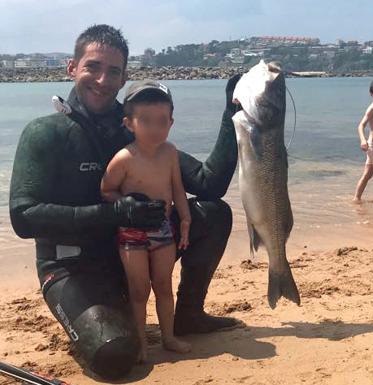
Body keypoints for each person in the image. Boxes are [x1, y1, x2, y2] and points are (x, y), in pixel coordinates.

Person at [9, 24, 241, 379]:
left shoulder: (135, 129)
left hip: (136, 254)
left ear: (123, 78)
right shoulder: (47, 133)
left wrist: (233, 113)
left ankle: (189, 314)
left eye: (113, 71)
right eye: (92, 67)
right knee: (114, 356)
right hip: (72, 268)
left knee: (212, 213)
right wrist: (113, 213)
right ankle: (107, 320)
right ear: (72, 68)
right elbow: (24, 217)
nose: (102, 79)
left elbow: (210, 184)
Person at [101, 80, 192, 362]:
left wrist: (185, 220)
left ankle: (168, 336)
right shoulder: (124, 158)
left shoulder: (170, 153)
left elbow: (177, 189)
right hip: (132, 233)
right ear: (129, 124)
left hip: (163, 230)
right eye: (146, 121)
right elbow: (106, 190)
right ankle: (141, 344)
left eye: (162, 121)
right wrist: (125, 206)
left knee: (163, 285)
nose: (155, 129)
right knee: (139, 290)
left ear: (171, 122)